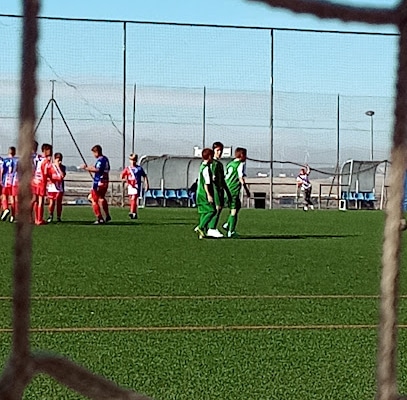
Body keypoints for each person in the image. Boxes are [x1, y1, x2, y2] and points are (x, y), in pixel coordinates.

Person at [223, 147, 250, 238]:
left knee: (237, 206)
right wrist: (246, 189)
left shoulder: (230, 164)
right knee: (234, 210)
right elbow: (240, 178)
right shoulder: (240, 164)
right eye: (245, 155)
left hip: (226, 188)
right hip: (233, 189)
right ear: (242, 155)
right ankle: (231, 231)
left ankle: (227, 224)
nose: (246, 157)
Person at [81, 145, 111, 224]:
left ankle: (99, 218)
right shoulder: (105, 159)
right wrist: (88, 167)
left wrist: (86, 168)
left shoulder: (100, 160)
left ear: (96, 152)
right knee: (101, 198)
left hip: (98, 182)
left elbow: (97, 169)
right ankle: (107, 215)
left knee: (93, 199)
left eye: (93, 153)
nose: (93, 155)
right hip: (105, 181)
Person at [207, 141, 232, 238]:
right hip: (214, 189)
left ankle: (209, 227)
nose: (219, 152)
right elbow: (211, 179)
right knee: (217, 208)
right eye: (217, 150)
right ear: (213, 151)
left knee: (218, 208)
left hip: (220, 189)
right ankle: (211, 228)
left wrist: (227, 190)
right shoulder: (213, 163)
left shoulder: (219, 164)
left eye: (221, 150)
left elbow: (222, 179)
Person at [194, 148, 216, 239]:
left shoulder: (202, 166)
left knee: (204, 212)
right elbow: (206, 184)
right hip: (204, 193)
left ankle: (202, 233)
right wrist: (209, 195)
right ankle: (200, 227)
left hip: (199, 192)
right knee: (212, 210)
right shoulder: (206, 168)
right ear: (210, 156)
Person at [120, 153, 149, 220]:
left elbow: (144, 176)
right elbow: (122, 176)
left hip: (136, 186)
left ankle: (132, 212)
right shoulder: (128, 169)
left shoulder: (139, 168)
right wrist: (126, 180)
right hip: (130, 186)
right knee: (131, 200)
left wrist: (146, 184)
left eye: (134, 160)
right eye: (131, 160)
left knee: (134, 198)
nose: (133, 161)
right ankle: (134, 213)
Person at [32, 143, 53, 225]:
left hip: (35, 180)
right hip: (41, 182)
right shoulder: (45, 160)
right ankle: (39, 220)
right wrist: (50, 178)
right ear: (45, 150)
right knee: (40, 200)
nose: (50, 152)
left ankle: (34, 218)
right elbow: (46, 172)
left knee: (35, 200)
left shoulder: (38, 158)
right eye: (49, 150)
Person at [47, 152, 66, 223]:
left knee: (59, 202)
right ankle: (50, 215)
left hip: (60, 187)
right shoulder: (50, 167)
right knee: (51, 202)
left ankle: (58, 217)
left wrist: (58, 167)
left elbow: (62, 176)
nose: (59, 161)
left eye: (60, 159)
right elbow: (47, 176)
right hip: (52, 187)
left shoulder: (63, 167)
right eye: (58, 159)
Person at [1, 146, 19, 223]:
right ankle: (13, 216)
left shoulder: (4, 161)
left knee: (4, 196)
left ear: (8, 152)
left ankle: (5, 209)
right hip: (13, 182)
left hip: (5, 181)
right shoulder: (17, 161)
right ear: (14, 153)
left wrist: (1, 180)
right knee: (12, 199)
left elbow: (2, 171)